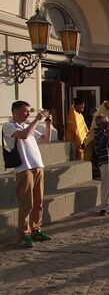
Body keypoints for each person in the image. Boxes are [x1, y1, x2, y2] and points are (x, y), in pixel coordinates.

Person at [2, 101, 53, 248]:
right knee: (26, 204)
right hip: (23, 169)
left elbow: (46, 139)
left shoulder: (27, 125)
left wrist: (48, 124)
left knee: (38, 202)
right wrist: (37, 119)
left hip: (37, 166)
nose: (27, 114)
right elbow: (24, 136)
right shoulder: (9, 126)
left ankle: (36, 229)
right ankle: (24, 235)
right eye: (25, 111)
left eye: (28, 111)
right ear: (15, 112)